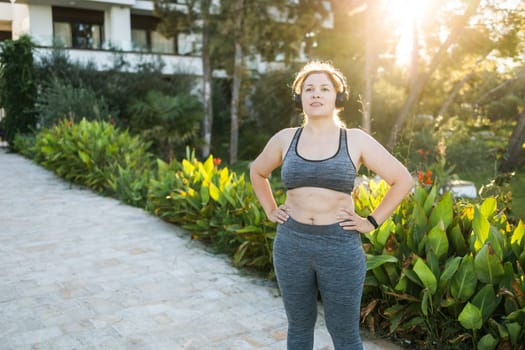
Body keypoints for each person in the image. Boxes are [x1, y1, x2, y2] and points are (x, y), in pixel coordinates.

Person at [249, 61, 414, 350]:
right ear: (299, 97)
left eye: (324, 88)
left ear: (337, 97)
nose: (315, 94)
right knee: (299, 327)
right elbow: (257, 171)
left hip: (339, 248)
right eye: (308, 89)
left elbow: (402, 180)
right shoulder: (285, 138)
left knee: (345, 334)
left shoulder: (355, 140)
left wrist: (370, 222)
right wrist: (269, 208)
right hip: (291, 244)